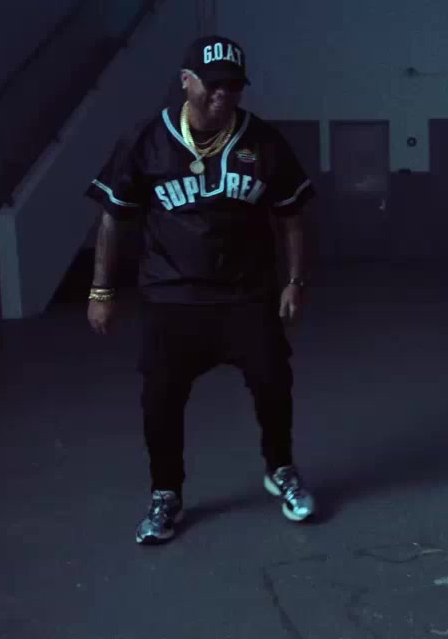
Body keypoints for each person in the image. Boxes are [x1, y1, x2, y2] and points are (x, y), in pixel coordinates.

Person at [85, 35, 318, 545]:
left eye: (232, 86)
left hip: (246, 296)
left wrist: (294, 280)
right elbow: (113, 218)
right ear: (186, 81)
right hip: (172, 299)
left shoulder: (264, 141)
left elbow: (290, 216)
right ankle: (165, 492)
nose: (222, 94)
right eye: (212, 84)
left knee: (273, 382)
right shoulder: (146, 139)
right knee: (160, 399)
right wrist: (100, 291)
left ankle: (280, 468)